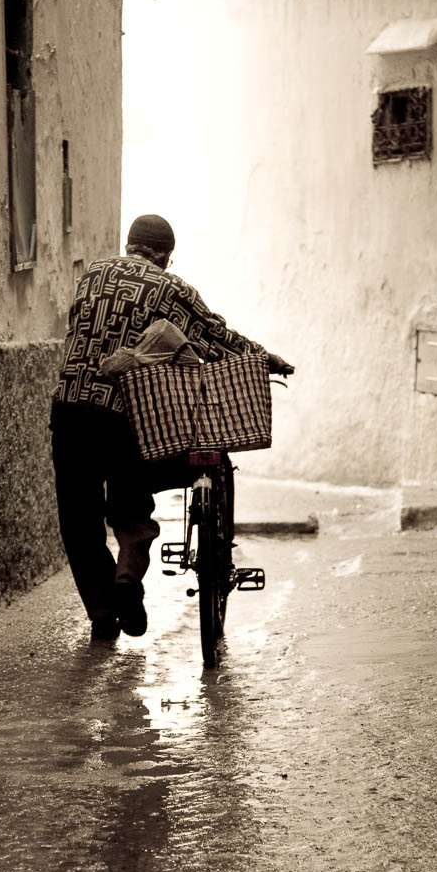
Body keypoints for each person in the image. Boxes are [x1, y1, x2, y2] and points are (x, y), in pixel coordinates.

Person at [50, 214, 294, 640]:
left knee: (78, 517)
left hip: (70, 408)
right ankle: (127, 576)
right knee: (129, 506)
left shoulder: (91, 273)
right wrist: (265, 357)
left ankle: (103, 613)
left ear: (129, 244)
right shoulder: (170, 287)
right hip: (125, 412)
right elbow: (216, 337)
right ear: (165, 255)